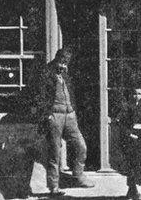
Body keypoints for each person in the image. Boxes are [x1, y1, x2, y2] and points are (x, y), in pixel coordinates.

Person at [32, 47, 94, 195]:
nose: (64, 66)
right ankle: (54, 187)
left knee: (81, 146)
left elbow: (72, 93)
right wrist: (46, 115)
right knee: (55, 152)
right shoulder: (46, 73)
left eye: (66, 63)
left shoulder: (66, 74)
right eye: (61, 62)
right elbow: (39, 96)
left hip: (70, 116)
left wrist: (73, 111)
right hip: (54, 116)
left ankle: (78, 175)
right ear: (56, 60)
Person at [115, 86, 141, 199]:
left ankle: (135, 190)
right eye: (135, 93)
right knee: (133, 163)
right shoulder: (126, 107)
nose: (137, 96)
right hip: (132, 138)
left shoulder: (140, 107)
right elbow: (120, 123)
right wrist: (130, 134)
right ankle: (133, 189)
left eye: (139, 94)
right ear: (131, 94)